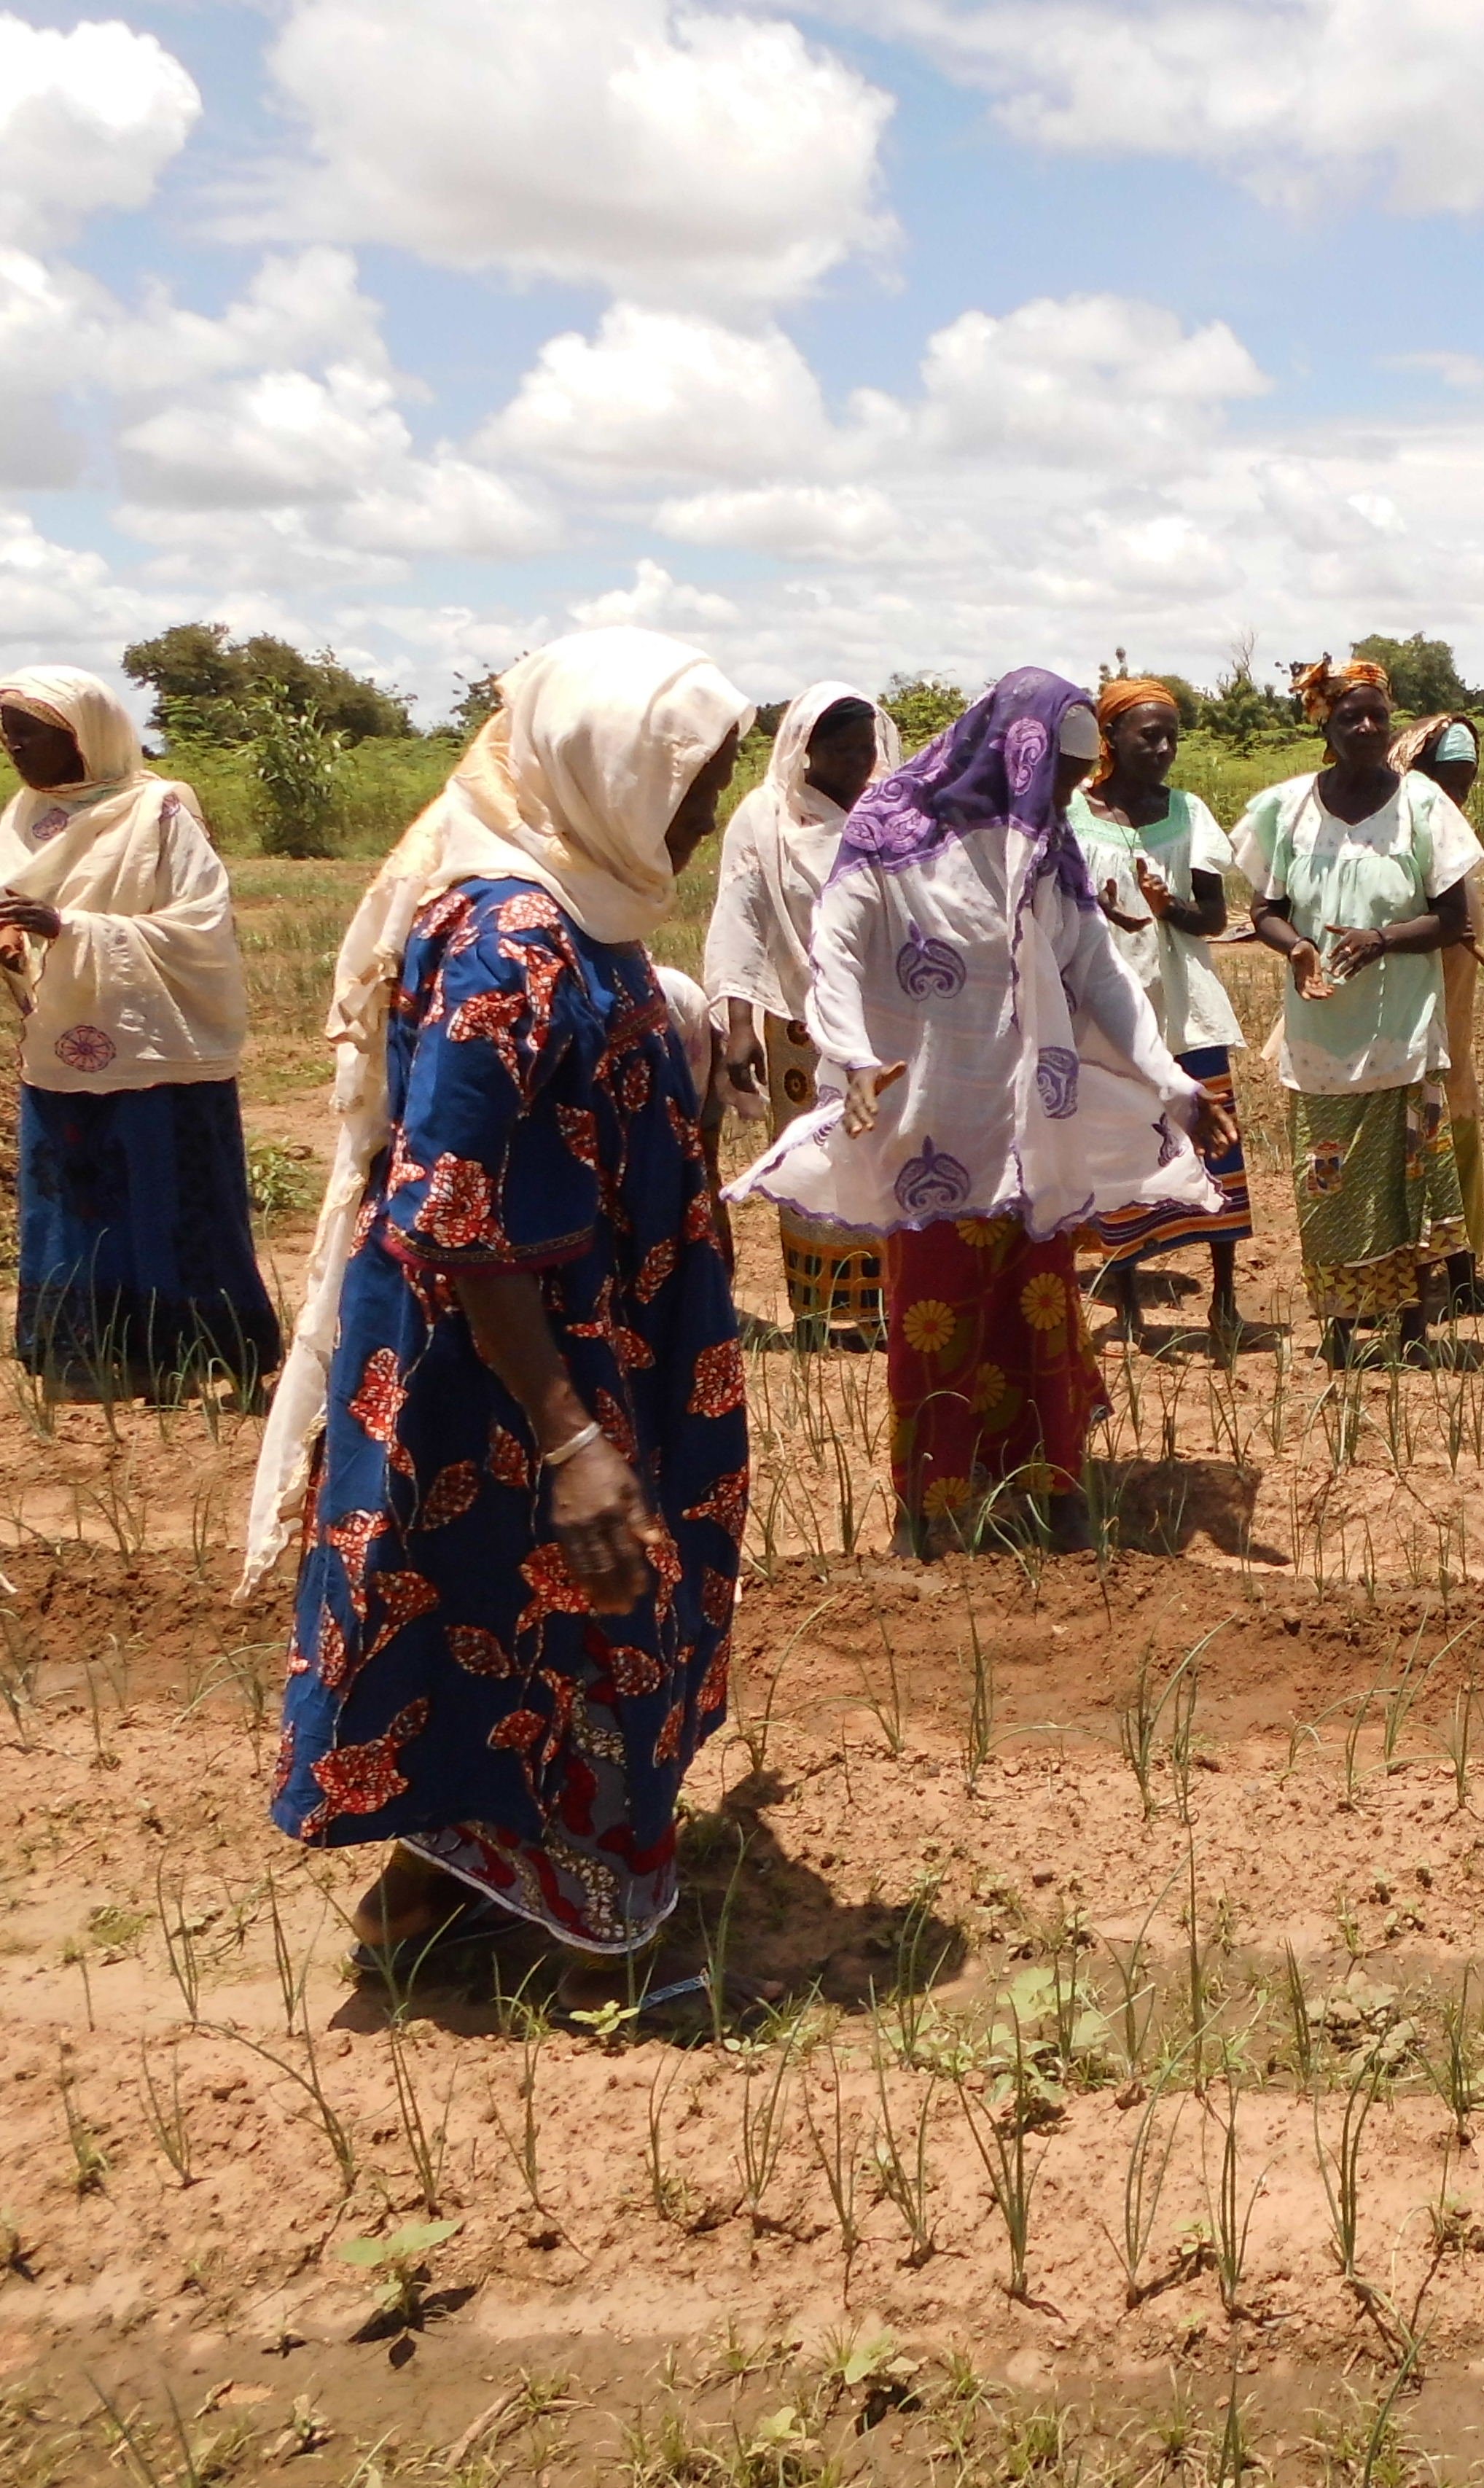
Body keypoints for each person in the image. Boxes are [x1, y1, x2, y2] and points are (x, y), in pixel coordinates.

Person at [243, 628, 754, 1984]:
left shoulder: (590, 909)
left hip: (602, 1339)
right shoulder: (506, 938)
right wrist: (574, 1436)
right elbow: (453, 1208)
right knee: (586, 1617)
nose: (704, 817)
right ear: (599, 769)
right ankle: (606, 1931)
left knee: (525, 1624)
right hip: (513, 1364)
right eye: (691, 783)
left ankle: (437, 1893)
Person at [731, 668, 1229, 1554]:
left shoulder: (1044, 846)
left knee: (1038, 1312)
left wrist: (1172, 1083)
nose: (1068, 798)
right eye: (1061, 781)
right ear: (1020, 756)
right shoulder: (890, 831)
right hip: (930, 1130)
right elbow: (834, 952)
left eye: (1080, 783)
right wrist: (848, 1058)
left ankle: (1054, 1501)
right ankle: (934, 1514)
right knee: (938, 1318)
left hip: (1032, 1129)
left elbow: (1099, 976)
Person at [0, 668, 279, 1402]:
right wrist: (17, 942)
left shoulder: (157, 811)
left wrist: (72, 928)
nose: (12, 744)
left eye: (27, 731)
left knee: (170, 1192)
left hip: (160, 1052)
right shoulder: (23, 816)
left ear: (82, 736)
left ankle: (200, 1358)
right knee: (75, 1198)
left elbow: (203, 924)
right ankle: (85, 1364)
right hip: (62, 1045)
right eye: (8, 730)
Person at [1234, 659, 1483, 1365]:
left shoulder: (1425, 807)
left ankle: (1411, 1330)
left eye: (1378, 715)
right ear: (1327, 727)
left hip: (1403, 1029)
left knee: (1409, 1182)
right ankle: (1340, 1328)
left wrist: (1382, 940)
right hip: (1320, 1038)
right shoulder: (1285, 810)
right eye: (1351, 717)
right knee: (1329, 1185)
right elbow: (1265, 911)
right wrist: (1299, 952)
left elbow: (1454, 920)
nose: (1368, 728)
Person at [700, 683, 899, 1344]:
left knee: (887, 1153)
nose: (856, 763)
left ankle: (888, 1303)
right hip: (799, 1022)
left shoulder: (894, 812)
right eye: (840, 751)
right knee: (816, 1156)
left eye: (865, 748)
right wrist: (736, 1026)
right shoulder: (765, 820)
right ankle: (821, 1309)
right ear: (804, 751)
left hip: (885, 1018)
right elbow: (741, 922)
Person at [1071, 676, 1251, 1349]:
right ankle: (1127, 1300)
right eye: (1150, 736)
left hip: (1183, 1004)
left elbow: (1214, 918)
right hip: (1109, 1009)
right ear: (1109, 738)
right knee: (1121, 1141)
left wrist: (1166, 905)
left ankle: (1224, 1298)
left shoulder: (1188, 812)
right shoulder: (1074, 814)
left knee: (1215, 1142)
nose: (1165, 748)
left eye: (1172, 736)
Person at [1394, 710, 1484, 1319]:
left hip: (1450, 1004)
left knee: (1454, 1112)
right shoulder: (1402, 820)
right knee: (1424, 1125)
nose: (1456, 795)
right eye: (1449, 780)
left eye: (1466, 783)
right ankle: (1439, 1273)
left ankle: (1462, 1272)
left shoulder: (1443, 824)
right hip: (1410, 1004)